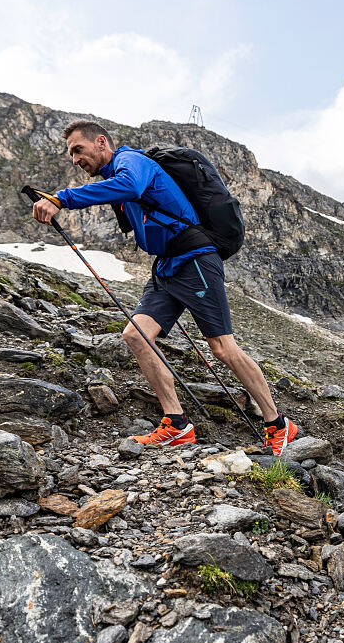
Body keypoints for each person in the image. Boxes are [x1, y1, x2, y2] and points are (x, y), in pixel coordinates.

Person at [32, 120, 299, 455]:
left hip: (195, 260)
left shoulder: (133, 163)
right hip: (168, 266)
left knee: (222, 347)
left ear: (101, 142)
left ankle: (278, 424)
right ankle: (176, 424)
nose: (74, 159)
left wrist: (62, 199)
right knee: (135, 334)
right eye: (71, 153)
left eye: (78, 150)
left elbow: (129, 185)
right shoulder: (115, 173)